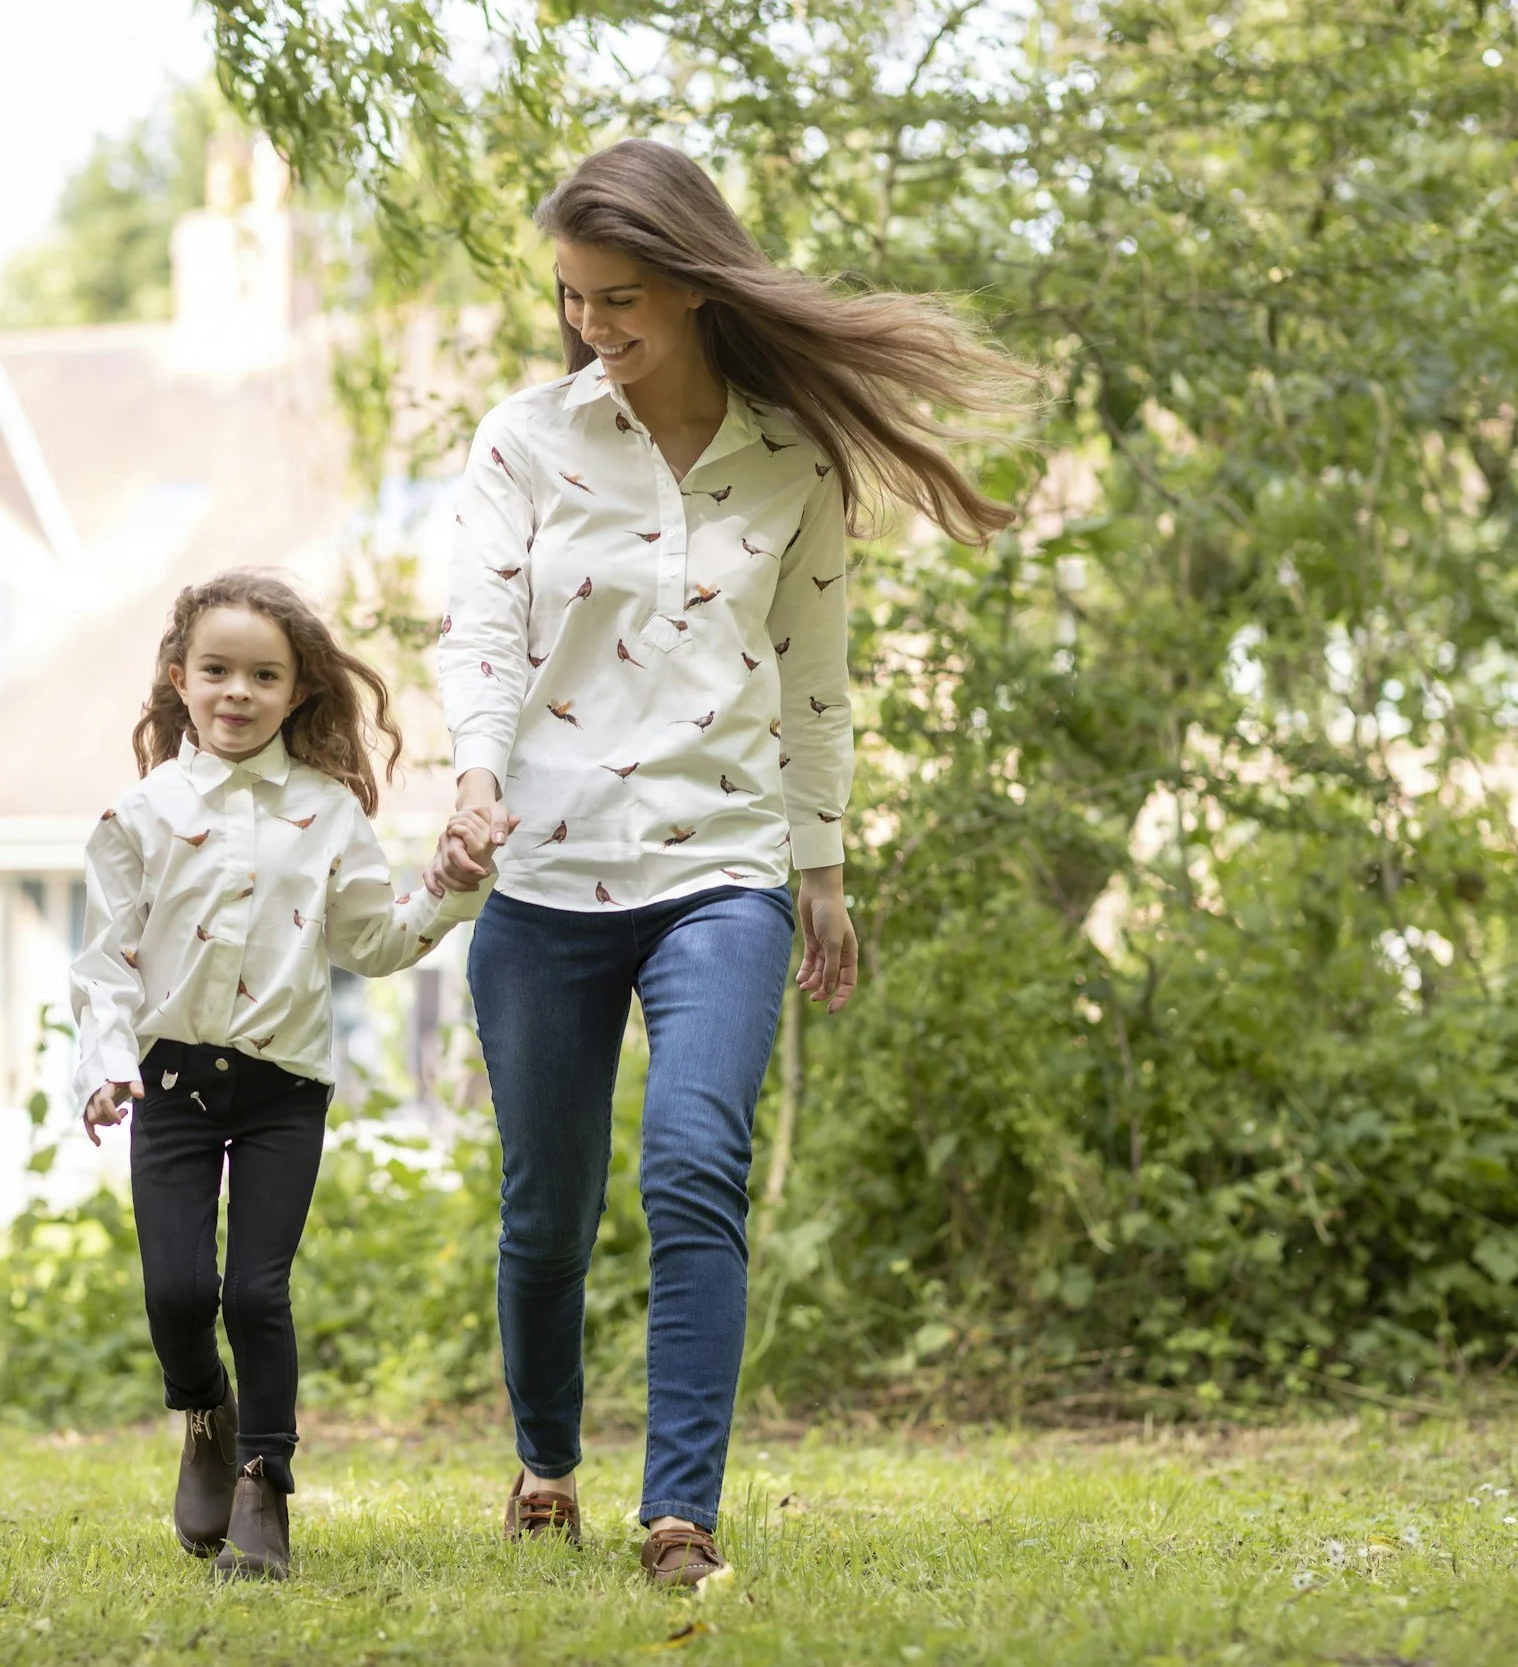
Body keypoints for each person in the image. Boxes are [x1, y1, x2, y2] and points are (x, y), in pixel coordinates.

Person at [426, 139, 1024, 1587]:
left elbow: (815, 676)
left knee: (696, 1161)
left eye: (620, 298)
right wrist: (475, 771)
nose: (593, 328)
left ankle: (678, 1510)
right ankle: (550, 1464)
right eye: (573, 300)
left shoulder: (790, 458)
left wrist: (818, 867)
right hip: (549, 867)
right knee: (546, 1206)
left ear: (695, 285)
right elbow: (484, 629)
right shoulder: (525, 441)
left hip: (726, 868)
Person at [72, 569, 497, 1580]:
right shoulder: (139, 815)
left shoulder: (328, 815)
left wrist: (443, 889)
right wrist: (102, 1067)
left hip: (283, 1089)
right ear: (179, 677)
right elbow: (104, 963)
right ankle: (206, 1413)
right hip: (168, 1084)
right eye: (217, 670)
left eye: (263, 675)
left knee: (256, 1291)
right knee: (179, 1288)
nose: (237, 692)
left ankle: (264, 1480)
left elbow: (375, 940)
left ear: (298, 690)